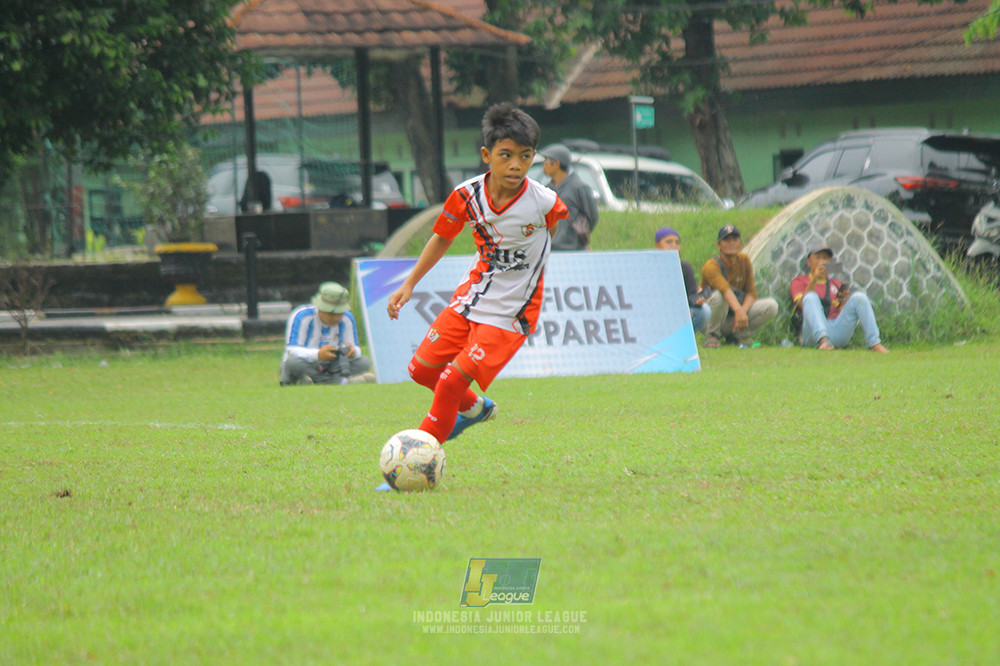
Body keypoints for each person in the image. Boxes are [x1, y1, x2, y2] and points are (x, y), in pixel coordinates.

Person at [387, 103, 567, 445]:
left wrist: (524, 268)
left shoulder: (544, 202)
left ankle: (419, 456)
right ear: (487, 154)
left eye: (526, 156)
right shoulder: (466, 196)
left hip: (511, 312)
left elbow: (551, 231)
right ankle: (476, 409)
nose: (516, 165)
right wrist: (409, 284)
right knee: (421, 370)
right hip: (472, 297)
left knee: (452, 381)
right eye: (506, 155)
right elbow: (441, 238)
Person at [790, 241, 889, 352]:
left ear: (830, 262)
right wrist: (814, 280)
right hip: (812, 332)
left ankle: (874, 343)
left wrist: (844, 301)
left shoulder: (835, 283)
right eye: (817, 258)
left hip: (835, 329)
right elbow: (801, 304)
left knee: (859, 297)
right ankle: (823, 341)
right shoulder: (799, 281)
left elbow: (841, 312)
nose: (822, 262)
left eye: (825, 258)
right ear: (809, 262)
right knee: (810, 297)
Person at [280, 281, 375, 385]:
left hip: (334, 365)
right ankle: (342, 382)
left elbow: (356, 349)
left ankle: (310, 382)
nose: (336, 318)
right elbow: (292, 350)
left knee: (364, 362)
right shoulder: (302, 316)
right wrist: (318, 355)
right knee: (292, 363)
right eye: (331, 313)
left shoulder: (347, 318)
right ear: (320, 308)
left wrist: (352, 352)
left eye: (340, 313)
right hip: (307, 363)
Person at [700, 224, 778, 347]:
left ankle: (738, 336)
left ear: (740, 243)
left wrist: (742, 311)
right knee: (719, 297)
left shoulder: (744, 260)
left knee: (771, 306)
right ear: (719, 245)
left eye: (735, 240)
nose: (731, 243)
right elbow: (725, 290)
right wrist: (738, 310)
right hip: (712, 319)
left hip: (733, 318)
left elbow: (751, 293)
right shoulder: (711, 266)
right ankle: (712, 336)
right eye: (726, 240)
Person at [540, 143, 598, 251]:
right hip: (550, 251)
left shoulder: (579, 187)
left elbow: (592, 217)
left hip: (574, 251)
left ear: (556, 164)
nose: (544, 165)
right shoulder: (546, 190)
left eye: (546, 161)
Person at [654, 227, 710, 333]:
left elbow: (691, 295)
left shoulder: (685, 267)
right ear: (657, 245)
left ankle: (679, 341)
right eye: (669, 242)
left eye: (677, 242)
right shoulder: (649, 266)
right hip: (656, 311)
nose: (674, 246)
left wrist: (697, 300)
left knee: (704, 311)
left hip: (678, 311)